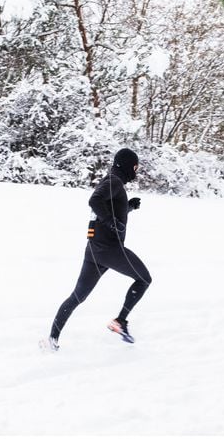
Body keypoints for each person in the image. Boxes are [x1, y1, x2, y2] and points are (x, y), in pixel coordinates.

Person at [43, 148, 152, 350]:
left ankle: (52, 339)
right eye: (135, 167)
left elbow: (107, 206)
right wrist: (112, 223)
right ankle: (120, 322)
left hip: (94, 250)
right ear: (129, 165)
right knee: (144, 279)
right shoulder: (114, 181)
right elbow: (94, 201)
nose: (136, 171)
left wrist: (128, 207)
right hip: (109, 249)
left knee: (77, 296)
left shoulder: (112, 180)